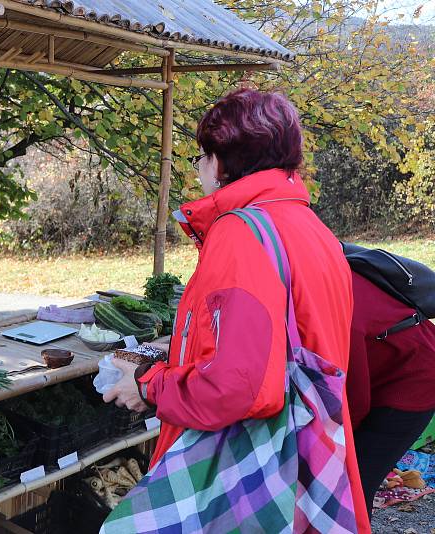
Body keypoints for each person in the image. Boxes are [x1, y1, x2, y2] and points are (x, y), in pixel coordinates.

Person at [101, 88, 371, 531]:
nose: (200, 171)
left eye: (201, 157)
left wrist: (149, 387)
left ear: (220, 161)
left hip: (254, 472)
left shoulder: (242, 234)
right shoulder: (312, 228)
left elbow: (240, 386)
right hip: (309, 460)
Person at [347, 271, 435, 514]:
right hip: (391, 372)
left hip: (415, 382)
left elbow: (355, 401)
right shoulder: (328, 276)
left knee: (353, 486)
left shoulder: (342, 309)